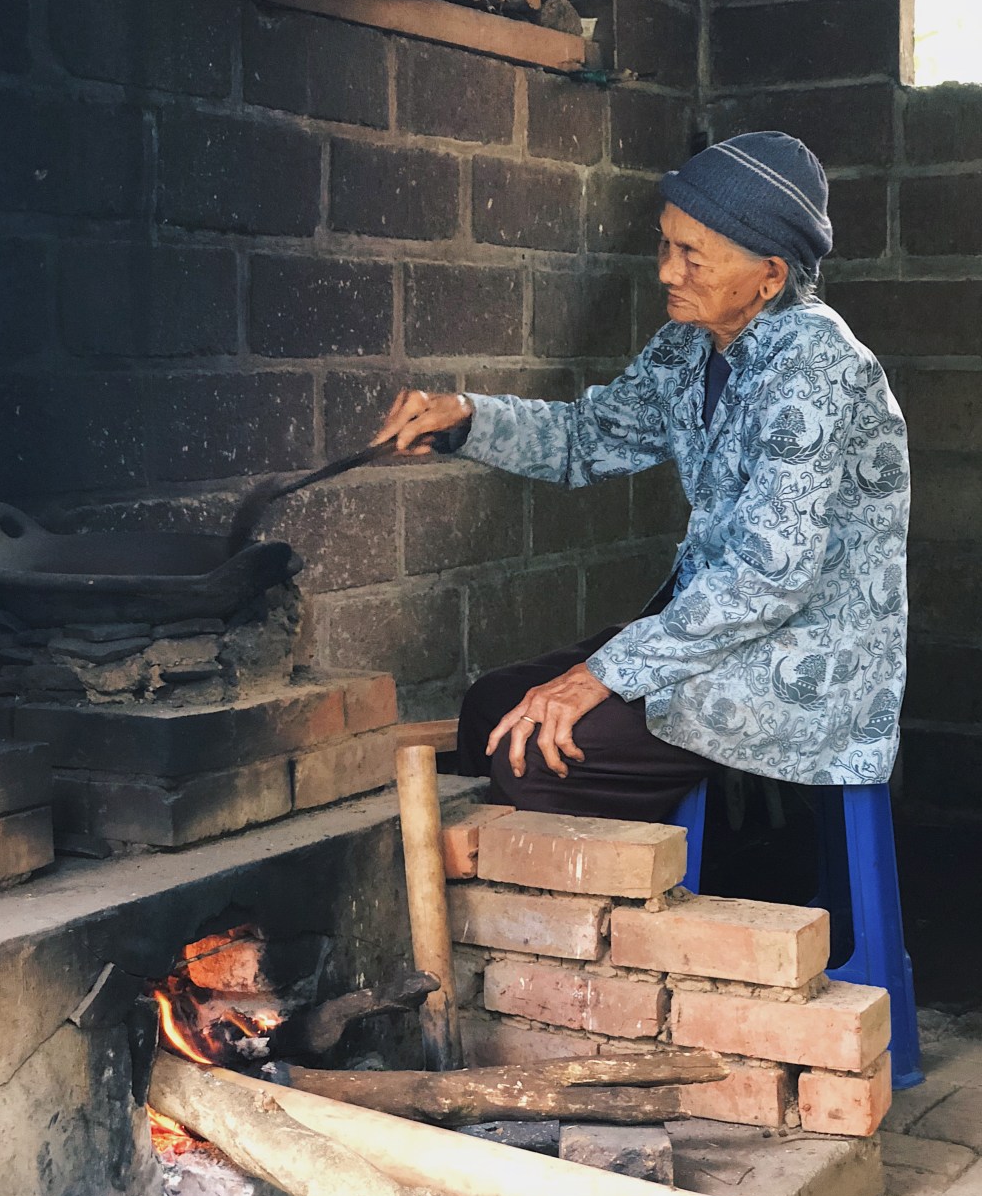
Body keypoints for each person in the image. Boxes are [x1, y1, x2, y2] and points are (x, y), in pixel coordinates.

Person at [374, 132, 910, 822]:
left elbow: (769, 578)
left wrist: (601, 674)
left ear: (770, 276)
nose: (666, 271)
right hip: (710, 635)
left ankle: (626, 917)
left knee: (535, 757)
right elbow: (584, 437)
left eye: (692, 255)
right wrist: (464, 419)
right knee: (490, 710)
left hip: (794, 661)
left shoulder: (816, 365)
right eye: (665, 244)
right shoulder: (689, 343)